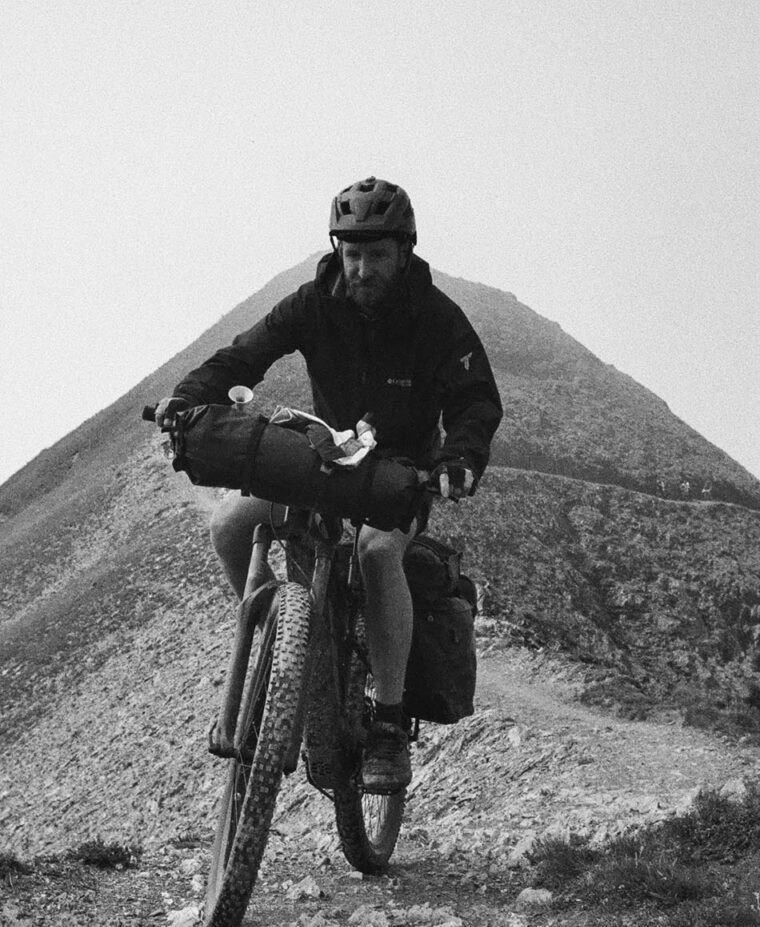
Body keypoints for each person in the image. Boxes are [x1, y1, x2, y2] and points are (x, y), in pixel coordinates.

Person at [154, 177, 502, 792]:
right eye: (353, 254)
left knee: (377, 552)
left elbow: (475, 399)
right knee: (229, 525)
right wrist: (188, 397)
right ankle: (284, 650)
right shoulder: (313, 302)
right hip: (324, 455)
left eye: (377, 255)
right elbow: (244, 355)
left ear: (405, 251)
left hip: (399, 473)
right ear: (338, 250)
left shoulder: (437, 317)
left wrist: (459, 458)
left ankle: (389, 723)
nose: (362, 269)